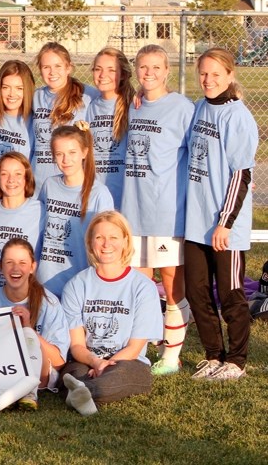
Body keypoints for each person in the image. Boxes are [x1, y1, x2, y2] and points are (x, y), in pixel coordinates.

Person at [120, 45, 194, 376]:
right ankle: (141, 348)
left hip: (166, 212)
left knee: (171, 282)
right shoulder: (133, 105)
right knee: (138, 283)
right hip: (133, 213)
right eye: (143, 67)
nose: (148, 73)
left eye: (155, 67)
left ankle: (171, 356)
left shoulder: (181, 108)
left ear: (167, 71)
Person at [184, 48, 258, 380]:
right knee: (195, 291)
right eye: (203, 73)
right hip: (196, 222)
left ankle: (237, 361)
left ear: (230, 75)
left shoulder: (237, 116)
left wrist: (224, 222)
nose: (208, 80)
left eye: (216, 74)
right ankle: (214, 355)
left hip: (223, 226)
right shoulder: (200, 107)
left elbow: (240, 174)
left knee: (230, 294)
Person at [59, 211, 162, 416]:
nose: (106, 244)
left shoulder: (143, 287)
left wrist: (106, 365)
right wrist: (96, 362)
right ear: (90, 242)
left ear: (125, 241)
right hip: (86, 360)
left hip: (128, 362)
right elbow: (77, 345)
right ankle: (83, 391)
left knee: (120, 375)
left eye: (113, 237)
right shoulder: (76, 285)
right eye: (99, 238)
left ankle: (85, 391)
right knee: (71, 373)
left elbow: (134, 348)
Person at [36, 122, 113, 297]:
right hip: (45, 283)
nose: (66, 160)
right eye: (59, 154)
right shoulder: (50, 185)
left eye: (72, 153)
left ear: (84, 152)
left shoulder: (99, 193)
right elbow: (39, 230)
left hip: (79, 284)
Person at [0, 238, 69, 408]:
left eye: (22, 262)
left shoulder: (49, 302)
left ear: (32, 267)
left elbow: (58, 361)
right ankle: (11, 390)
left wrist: (27, 328)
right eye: (9, 262)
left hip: (40, 374)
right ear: (0, 267)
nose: (15, 268)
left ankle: (28, 393)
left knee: (27, 338)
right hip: (5, 368)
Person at [31, 42, 99, 196]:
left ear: (69, 67)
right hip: (38, 182)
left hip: (71, 182)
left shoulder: (88, 95)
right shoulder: (36, 96)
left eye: (58, 66)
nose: (52, 72)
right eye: (46, 67)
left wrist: (139, 95)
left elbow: (112, 99)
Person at [0, 152, 44, 293]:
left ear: (27, 178)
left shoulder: (40, 210)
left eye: (18, 174)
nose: (11, 180)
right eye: (4, 174)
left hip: (23, 296)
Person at [86, 48, 134, 209]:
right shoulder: (89, 106)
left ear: (123, 75)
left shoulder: (133, 105)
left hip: (125, 196)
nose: (102, 75)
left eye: (111, 70)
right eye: (98, 69)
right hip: (97, 195)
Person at [0, 60, 35, 189]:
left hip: (14, 198)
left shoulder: (34, 122)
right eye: (5, 87)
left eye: (19, 88)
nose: (11, 94)